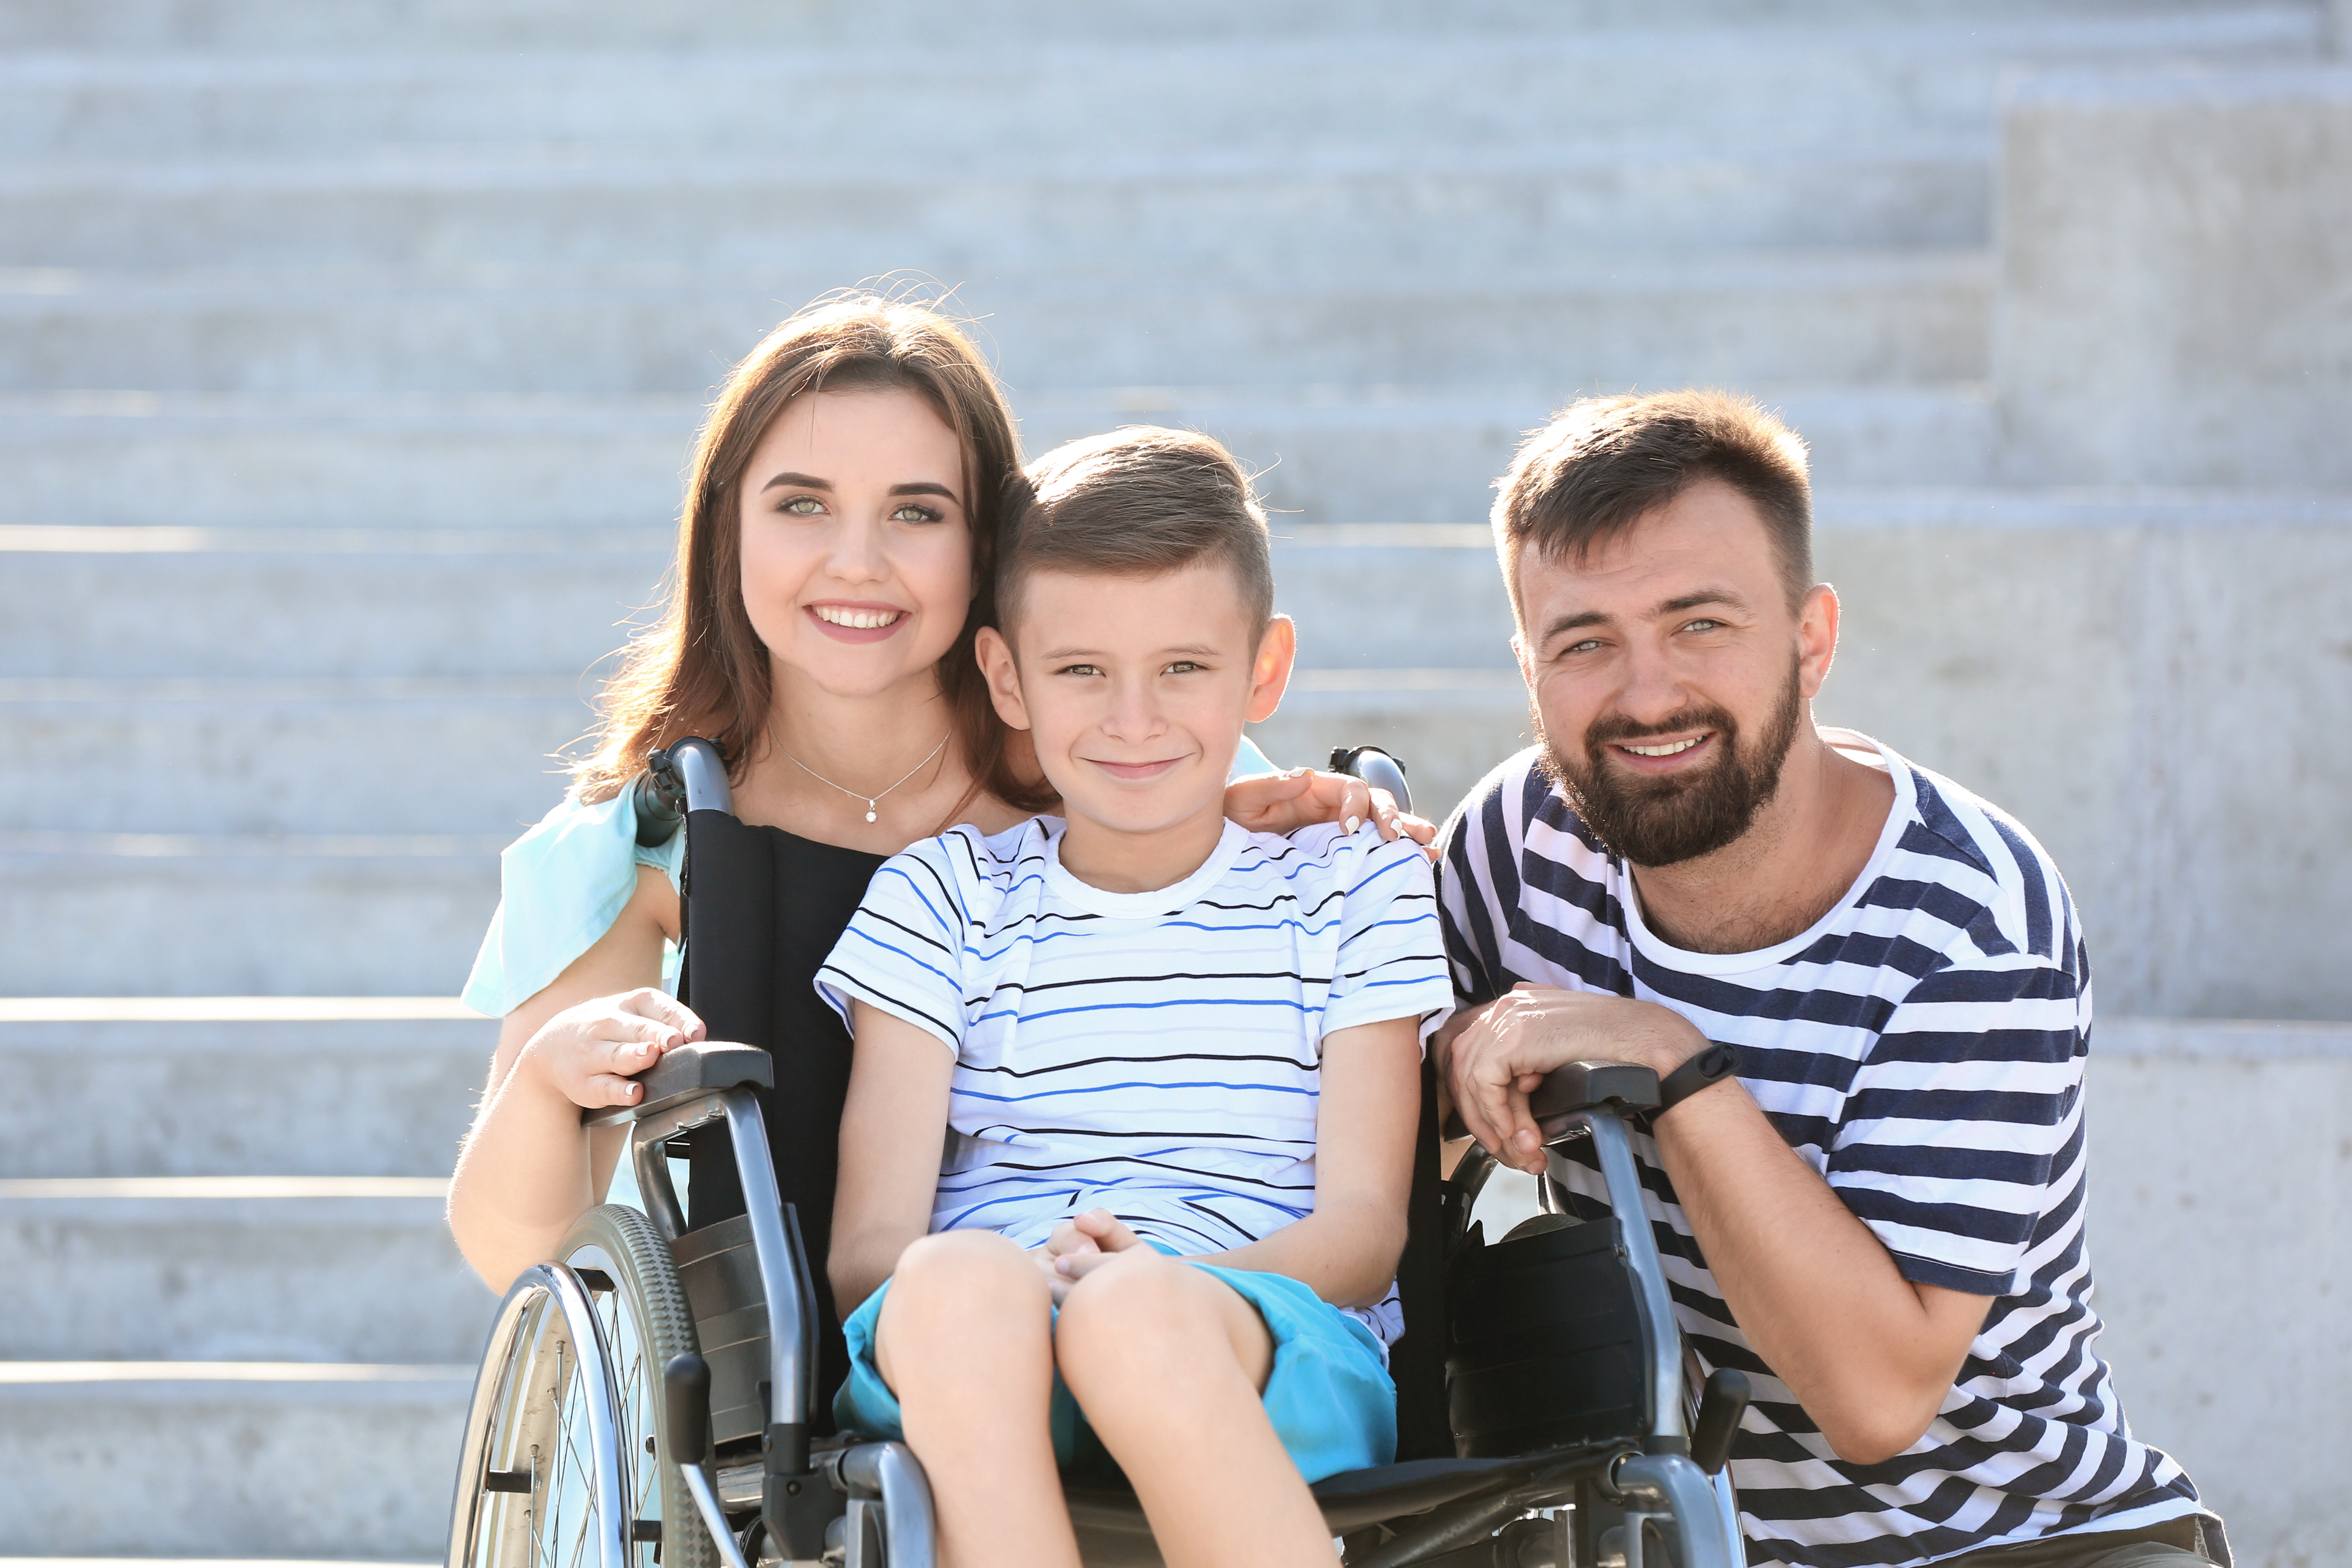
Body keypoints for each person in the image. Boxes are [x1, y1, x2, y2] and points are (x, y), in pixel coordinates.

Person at [444, 294, 1418, 1350]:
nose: (858, 561)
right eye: (801, 505)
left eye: (917, 511)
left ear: (986, 546)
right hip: (820, 1369)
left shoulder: (1112, 745)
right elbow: (514, 1247)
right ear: (727, 527)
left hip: (1165, 1311)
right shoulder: (640, 843)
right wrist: (550, 1074)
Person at [1431, 392, 2227, 1568]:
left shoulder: (1971, 918)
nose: (1646, 694)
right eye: (1584, 640)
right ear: (1528, 665)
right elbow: (1350, 1125)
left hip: (2023, 1543)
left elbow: (1874, 1399)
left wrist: (1669, 1060)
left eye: (1699, 624)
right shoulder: (1522, 844)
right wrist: (1256, 822)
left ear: (1813, 638)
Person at [816, 426, 1454, 1568]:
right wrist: (1039, 1279)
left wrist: (1157, 1281)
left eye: (1183, 667)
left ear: (1263, 669)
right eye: (1082, 671)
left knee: (1133, 1316)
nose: (1134, 718)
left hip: (1266, 1334)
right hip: (974, 1351)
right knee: (957, 1278)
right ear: (1007, 676)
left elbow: (1366, 1231)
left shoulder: (1354, 883)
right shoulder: (942, 896)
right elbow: (873, 1245)